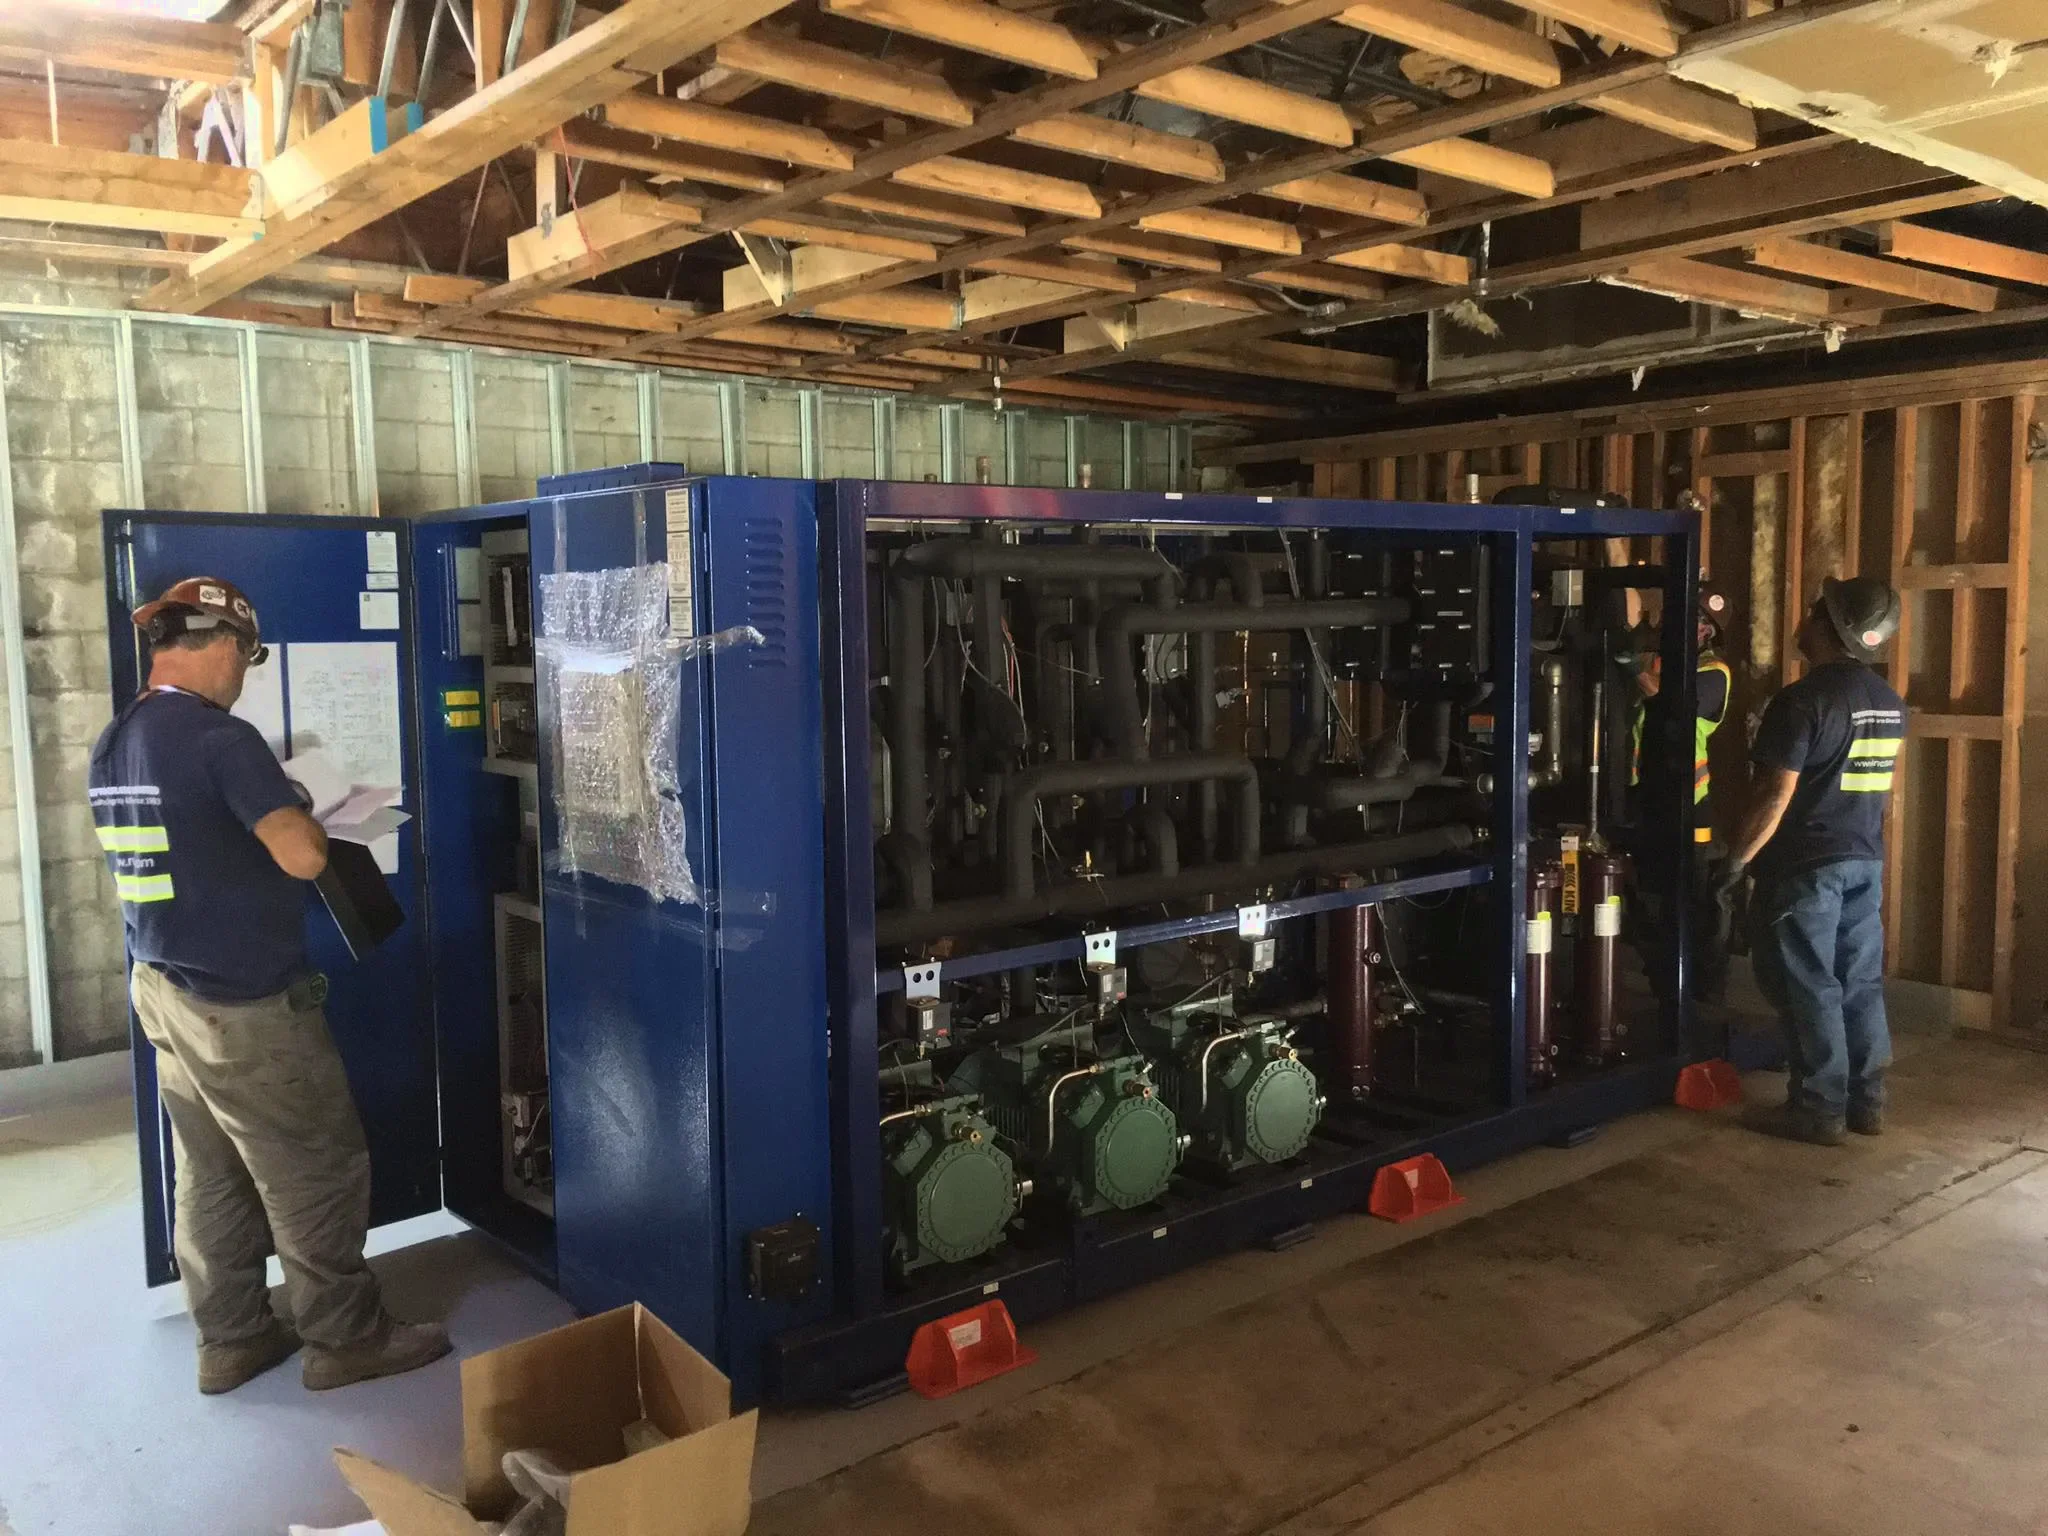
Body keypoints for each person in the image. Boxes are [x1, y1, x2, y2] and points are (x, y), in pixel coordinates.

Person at [89, 577, 450, 1394]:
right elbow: (305, 855)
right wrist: (305, 806)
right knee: (314, 1166)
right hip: (243, 1004)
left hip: (165, 990)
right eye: (247, 659)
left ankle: (232, 1339)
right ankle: (346, 1338)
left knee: (211, 1170)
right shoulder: (220, 738)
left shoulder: (118, 738)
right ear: (224, 644)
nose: (243, 677)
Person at [1720, 576, 1905, 1146]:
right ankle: (1865, 1103)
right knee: (1859, 982)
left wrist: (1733, 864)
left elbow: (1774, 796)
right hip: (1864, 861)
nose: (1804, 616)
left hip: (1806, 869)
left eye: (1813, 609)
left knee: (1808, 986)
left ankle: (1818, 1110)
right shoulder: (1889, 703)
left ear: (1829, 626)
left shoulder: (1803, 701)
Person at [1632, 583, 1736, 1000]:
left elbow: (1664, 694)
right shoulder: (1660, 660)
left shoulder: (1714, 674)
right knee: (1652, 898)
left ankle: (1701, 994)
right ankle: (1665, 988)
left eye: (1690, 618)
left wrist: (1626, 662)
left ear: (1706, 631)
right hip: (1651, 799)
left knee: (1691, 900)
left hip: (1689, 806)